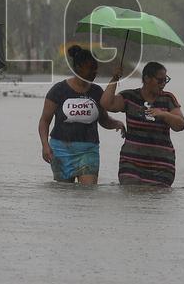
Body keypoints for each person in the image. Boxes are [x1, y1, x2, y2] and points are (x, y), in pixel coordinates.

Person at [38, 45, 124, 184]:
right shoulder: (58, 90)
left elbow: (104, 120)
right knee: (64, 194)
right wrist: (45, 146)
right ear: (78, 68)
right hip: (61, 150)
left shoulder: (97, 92)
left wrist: (117, 123)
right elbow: (44, 121)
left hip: (89, 150)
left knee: (88, 193)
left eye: (95, 68)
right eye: (90, 68)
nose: (94, 72)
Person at [101, 61, 184, 187]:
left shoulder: (168, 99)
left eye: (165, 80)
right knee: (131, 195)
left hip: (162, 166)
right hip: (131, 163)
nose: (163, 84)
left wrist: (164, 114)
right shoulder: (130, 96)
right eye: (160, 80)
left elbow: (180, 125)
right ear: (147, 79)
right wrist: (115, 78)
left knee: (155, 201)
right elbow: (106, 104)